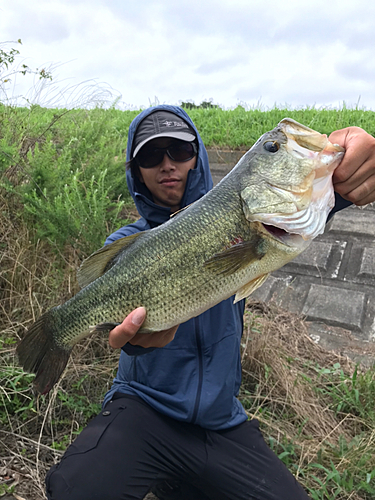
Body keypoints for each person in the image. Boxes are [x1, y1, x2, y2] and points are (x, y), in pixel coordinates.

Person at [45, 105, 375, 500]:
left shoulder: (250, 217)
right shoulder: (124, 244)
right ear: (136, 171)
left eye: (179, 152)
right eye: (151, 156)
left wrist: (349, 165)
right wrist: (135, 339)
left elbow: (315, 200)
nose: (167, 165)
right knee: (72, 490)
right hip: (143, 408)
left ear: (197, 156)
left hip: (221, 421)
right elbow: (122, 332)